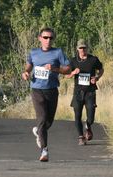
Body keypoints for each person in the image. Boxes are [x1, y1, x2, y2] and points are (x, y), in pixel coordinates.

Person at [22, 27, 70, 162]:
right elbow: (29, 65)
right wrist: (26, 72)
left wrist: (54, 68)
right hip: (37, 89)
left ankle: (39, 131)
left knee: (49, 121)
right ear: (40, 38)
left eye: (51, 38)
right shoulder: (33, 52)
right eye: (45, 37)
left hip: (52, 90)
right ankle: (44, 150)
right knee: (42, 118)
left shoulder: (58, 52)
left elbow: (67, 69)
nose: (48, 40)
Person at [66, 39, 104, 145]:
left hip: (90, 92)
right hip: (78, 92)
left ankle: (88, 126)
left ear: (87, 48)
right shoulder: (73, 61)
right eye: (81, 48)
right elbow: (67, 75)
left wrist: (97, 77)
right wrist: (73, 72)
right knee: (77, 115)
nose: (83, 50)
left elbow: (101, 69)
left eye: (84, 48)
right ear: (77, 49)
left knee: (91, 116)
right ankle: (81, 137)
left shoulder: (93, 59)